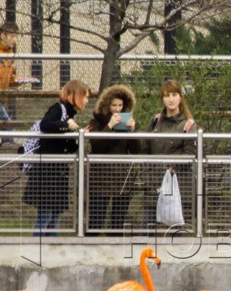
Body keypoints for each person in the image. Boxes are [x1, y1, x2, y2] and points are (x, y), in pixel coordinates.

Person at [25, 79, 89, 237]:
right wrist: (66, 126)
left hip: (58, 174)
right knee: (45, 216)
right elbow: (45, 125)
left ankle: (51, 251)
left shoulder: (70, 116)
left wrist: (81, 136)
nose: (87, 100)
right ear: (73, 95)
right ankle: (35, 250)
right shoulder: (58, 109)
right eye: (85, 96)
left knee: (54, 217)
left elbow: (68, 147)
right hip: (47, 173)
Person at [85, 84, 144, 235]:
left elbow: (136, 150)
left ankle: (116, 250)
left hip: (121, 177)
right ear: (107, 105)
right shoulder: (96, 122)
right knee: (96, 220)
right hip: (101, 177)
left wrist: (132, 131)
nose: (117, 109)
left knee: (118, 221)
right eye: (113, 105)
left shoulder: (126, 121)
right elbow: (97, 146)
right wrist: (109, 126)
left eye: (120, 105)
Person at [145, 79, 196, 227]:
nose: (171, 99)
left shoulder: (188, 125)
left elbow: (190, 155)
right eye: (167, 95)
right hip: (153, 186)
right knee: (147, 231)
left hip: (177, 190)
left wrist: (171, 166)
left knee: (176, 234)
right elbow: (145, 149)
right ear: (162, 99)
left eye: (174, 94)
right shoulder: (155, 121)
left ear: (180, 97)